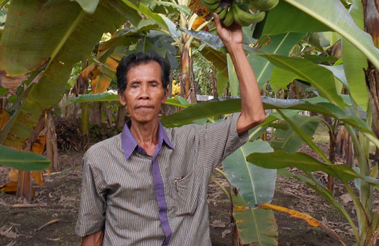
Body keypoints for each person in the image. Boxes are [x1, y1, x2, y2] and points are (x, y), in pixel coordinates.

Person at [75, 14, 266, 245]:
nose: (144, 94)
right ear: (122, 97)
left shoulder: (195, 142)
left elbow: (254, 115)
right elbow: (93, 236)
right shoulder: (99, 159)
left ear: (165, 94)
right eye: (135, 86)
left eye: (153, 85)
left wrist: (234, 46)